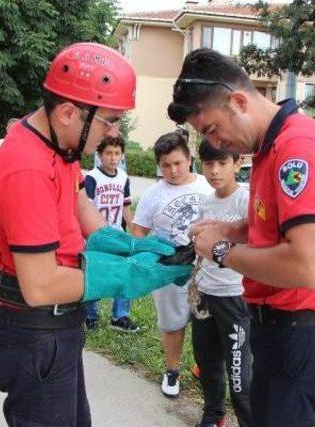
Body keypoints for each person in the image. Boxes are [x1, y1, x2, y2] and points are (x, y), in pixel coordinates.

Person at [0, 42, 192, 427]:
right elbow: (41, 286)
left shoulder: (58, 144)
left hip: (54, 325)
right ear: (67, 112)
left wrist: (130, 245)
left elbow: (78, 207)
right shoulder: (27, 167)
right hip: (35, 330)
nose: (113, 133)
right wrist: (128, 275)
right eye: (109, 120)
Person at [169, 48, 315, 426]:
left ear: (238, 101)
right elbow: (274, 224)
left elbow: (308, 265)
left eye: (211, 130)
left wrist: (223, 250)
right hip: (276, 332)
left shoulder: (297, 149)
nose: (216, 144)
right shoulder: (268, 149)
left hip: (299, 339)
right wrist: (231, 229)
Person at [131, 130, 213, 398]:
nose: (173, 170)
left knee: (209, 323)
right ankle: (172, 370)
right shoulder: (154, 194)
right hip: (169, 269)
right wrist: (149, 257)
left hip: (210, 270)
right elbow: (139, 231)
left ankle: (207, 369)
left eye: (178, 163)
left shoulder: (209, 186)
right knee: (172, 324)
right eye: (166, 165)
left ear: (189, 158)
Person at [191, 139, 251, 427]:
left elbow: (256, 245)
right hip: (204, 293)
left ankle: (248, 420)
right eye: (208, 164)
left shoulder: (245, 200)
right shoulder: (207, 201)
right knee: (207, 362)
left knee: (239, 372)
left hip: (234, 298)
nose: (214, 171)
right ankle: (213, 414)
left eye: (222, 163)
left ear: (238, 163)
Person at [83, 136, 138, 332]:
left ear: (122, 155)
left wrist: (133, 229)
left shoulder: (123, 177)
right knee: (94, 275)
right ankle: (90, 315)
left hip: (117, 233)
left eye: (117, 153)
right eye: (108, 153)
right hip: (96, 235)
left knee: (124, 273)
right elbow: (86, 208)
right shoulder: (92, 177)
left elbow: (126, 206)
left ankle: (120, 316)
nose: (113, 158)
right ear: (100, 155)